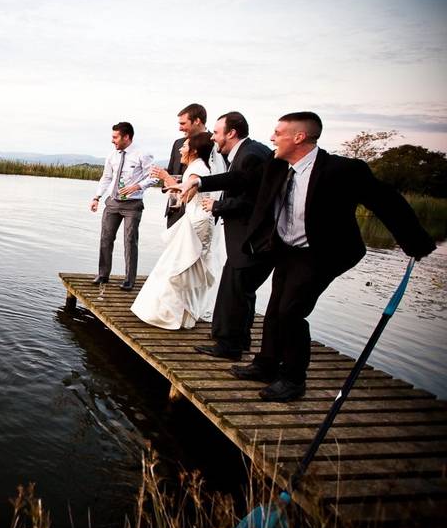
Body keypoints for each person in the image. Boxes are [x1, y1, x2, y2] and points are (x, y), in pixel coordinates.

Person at [177, 112, 435, 402]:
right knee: (275, 307)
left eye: (278, 132)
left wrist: (416, 243)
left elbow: (386, 200)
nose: (272, 138)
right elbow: (241, 178)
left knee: (291, 310)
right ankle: (266, 364)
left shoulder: (342, 170)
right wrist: (200, 182)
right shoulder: (276, 166)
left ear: (299, 137)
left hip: (324, 252)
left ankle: (293, 378)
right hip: (287, 248)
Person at [193, 112, 274, 361]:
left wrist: (217, 206)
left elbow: (250, 199)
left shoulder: (250, 156)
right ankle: (239, 340)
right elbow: (239, 184)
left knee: (235, 291)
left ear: (231, 132)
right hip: (250, 238)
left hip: (251, 239)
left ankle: (229, 346)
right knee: (241, 291)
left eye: (217, 132)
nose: (214, 137)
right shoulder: (249, 152)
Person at [130, 131, 223, 329]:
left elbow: (187, 196)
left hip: (197, 221)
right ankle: (183, 315)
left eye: (185, 146)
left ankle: (170, 315)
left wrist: (166, 177)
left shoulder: (196, 169)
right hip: (200, 219)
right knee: (187, 267)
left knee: (180, 266)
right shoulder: (201, 166)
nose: (181, 148)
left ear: (195, 150)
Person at [89, 122, 157, 291]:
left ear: (126, 137)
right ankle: (103, 274)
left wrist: (138, 186)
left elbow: (155, 177)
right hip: (112, 202)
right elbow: (106, 178)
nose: (112, 141)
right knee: (106, 238)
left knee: (129, 241)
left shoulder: (143, 154)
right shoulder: (112, 155)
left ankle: (129, 280)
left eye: (115, 137)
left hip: (133, 205)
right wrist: (97, 197)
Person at [165, 104, 209, 228]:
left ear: (197, 121)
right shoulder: (178, 143)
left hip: (199, 212)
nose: (180, 128)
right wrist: (166, 180)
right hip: (174, 208)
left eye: (183, 123)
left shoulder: (214, 142)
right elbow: (170, 171)